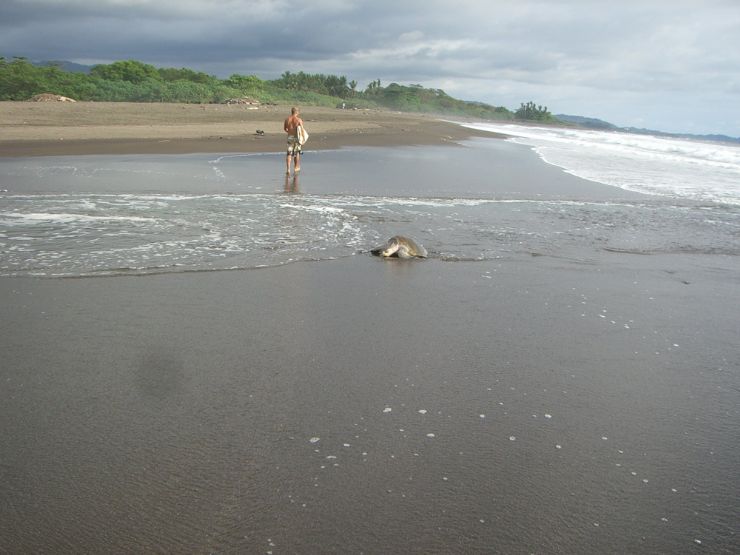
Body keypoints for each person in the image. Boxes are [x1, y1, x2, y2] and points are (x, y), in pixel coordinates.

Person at [283, 107, 304, 175]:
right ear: (297, 112)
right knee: (296, 153)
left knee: (289, 153)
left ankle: (288, 169)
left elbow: (285, 129)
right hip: (296, 137)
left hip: (290, 137)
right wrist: (303, 138)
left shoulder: (287, 119)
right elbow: (302, 130)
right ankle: (296, 167)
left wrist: (290, 132)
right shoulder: (299, 120)